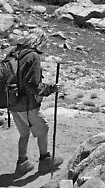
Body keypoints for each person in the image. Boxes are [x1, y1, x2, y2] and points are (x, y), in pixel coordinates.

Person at [8, 28, 63, 175]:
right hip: (26, 104)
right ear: (39, 41)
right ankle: (45, 161)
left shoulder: (15, 52)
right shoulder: (32, 56)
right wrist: (51, 88)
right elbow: (33, 85)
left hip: (12, 102)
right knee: (43, 129)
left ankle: (22, 164)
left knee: (24, 133)